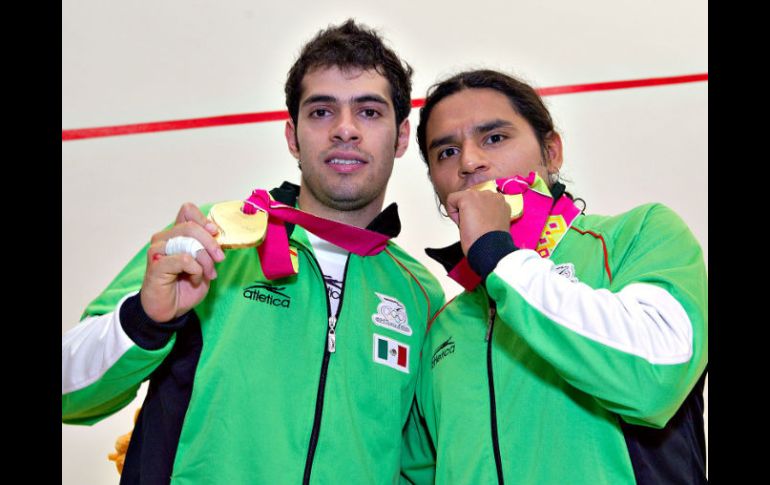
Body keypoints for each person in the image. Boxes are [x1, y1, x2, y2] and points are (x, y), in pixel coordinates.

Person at [62, 19, 444, 485]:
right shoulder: (211, 236)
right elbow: (68, 394)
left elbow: (418, 466)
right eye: (322, 111)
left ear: (402, 136)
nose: (345, 130)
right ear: (291, 135)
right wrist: (145, 318)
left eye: (369, 112)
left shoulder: (420, 294)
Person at [400, 69, 707, 484]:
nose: (470, 161)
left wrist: (500, 257)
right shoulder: (442, 326)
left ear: (552, 152)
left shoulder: (637, 236)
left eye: (494, 138)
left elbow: (655, 377)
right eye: (447, 152)